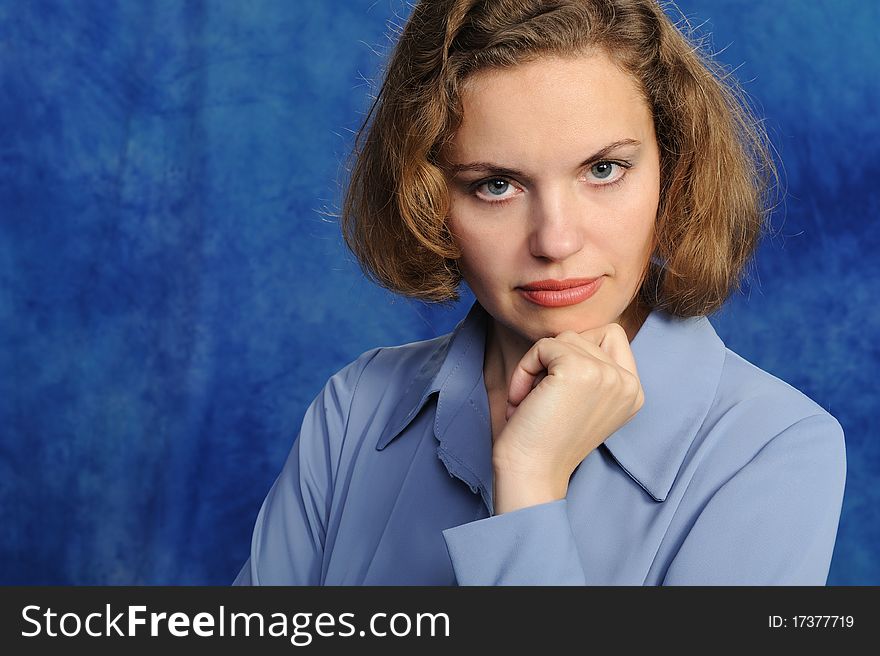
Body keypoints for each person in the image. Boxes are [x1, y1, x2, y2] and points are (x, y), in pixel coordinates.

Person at [233, 0, 846, 585]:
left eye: (603, 170)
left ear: (674, 172)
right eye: (496, 185)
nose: (555, 240)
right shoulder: (355, 409)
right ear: (429, 198)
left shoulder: (774, 447)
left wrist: (527, 483)